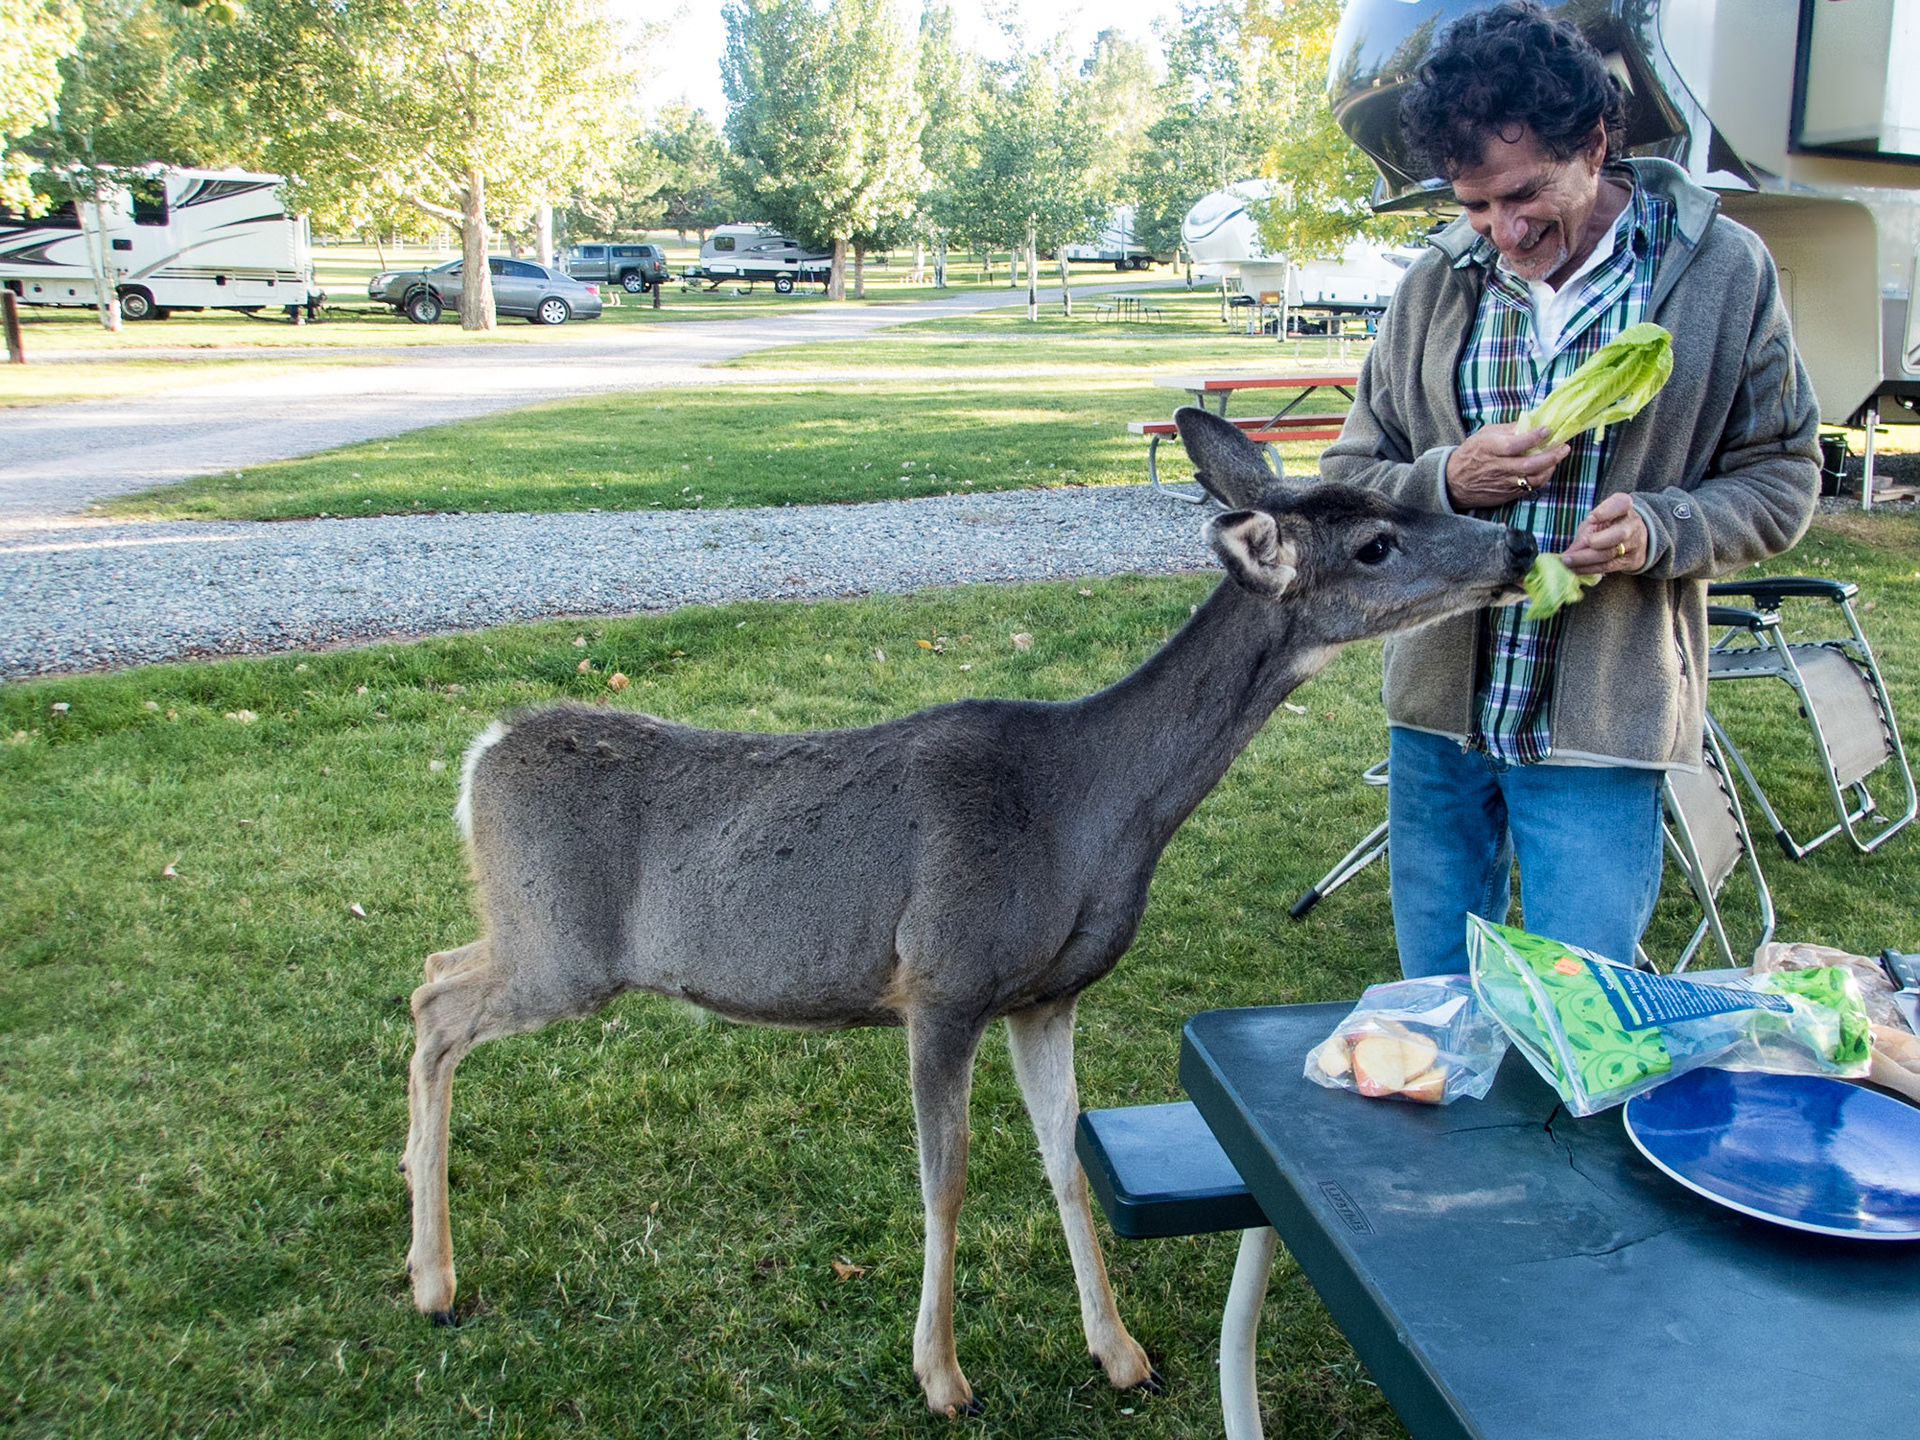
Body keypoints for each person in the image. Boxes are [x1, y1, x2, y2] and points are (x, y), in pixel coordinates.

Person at [1318, 1, 1819, 977]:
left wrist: (1662, 528)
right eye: (1471, 206)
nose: (1500, 232)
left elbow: (1785, 475)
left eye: (1522, 195)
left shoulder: (1722, 272)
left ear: (1596, 141)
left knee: (1581, 1017)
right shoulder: (1434, 285)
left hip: (1601, 730)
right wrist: (1447, 478)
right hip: (1439, 724)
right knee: (1438, 1008)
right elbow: (1345, 478)